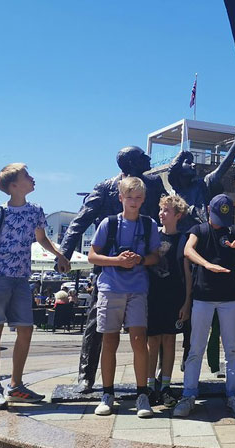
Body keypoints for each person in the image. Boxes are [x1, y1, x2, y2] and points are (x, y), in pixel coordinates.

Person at [0, 163, 70, 409]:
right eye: (27, 176)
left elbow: (41, 238)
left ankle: (16, 385)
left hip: (21, 278)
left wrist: (60, 255)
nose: (33, 179)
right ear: (13, 186)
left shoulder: (36, 211)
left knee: (26, 330)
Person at [172, 194, 235, 418]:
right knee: (195, 348)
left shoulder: (232, 230)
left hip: (229, 298)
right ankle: (189, 394)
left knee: (232, 349)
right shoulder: (199, 230)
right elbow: (188, 251)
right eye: (217, 216)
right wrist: (207, 264)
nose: (221, 222)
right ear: (209, 209)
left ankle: (233, 394)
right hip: (203, 296)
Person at [88, 176, 161, 418]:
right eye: (129, 197)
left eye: (138, 197)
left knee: (139, 340)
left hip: (138, 288)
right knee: (109, 341)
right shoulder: (108, 224)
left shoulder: (149, 224)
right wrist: (117, 261)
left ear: (143, 200)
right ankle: (107, 393)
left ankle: (142, 394)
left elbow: (155, 257)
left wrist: (139, 259)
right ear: (121, 198)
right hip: (110, 287)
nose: (134, 201)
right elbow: (93, 256)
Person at [146, 193, 191, 408]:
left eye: (167, 211)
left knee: (169, 340)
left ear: (178, 215)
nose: (162, 214)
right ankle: (148, 384)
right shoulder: (152, 235)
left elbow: (187, 273)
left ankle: (165, 384)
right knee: (152, 341)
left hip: (174, 297)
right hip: (153, 296)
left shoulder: (183, 239)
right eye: (161, 210)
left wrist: (187, 302)